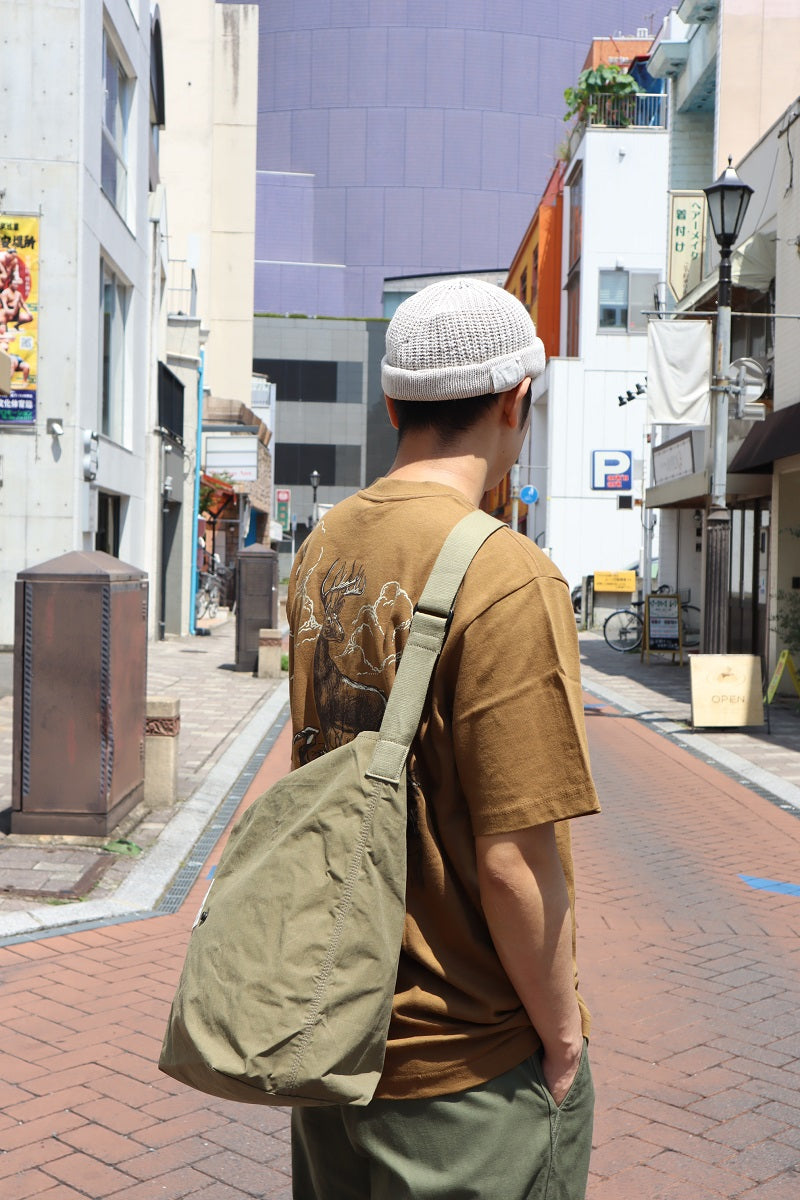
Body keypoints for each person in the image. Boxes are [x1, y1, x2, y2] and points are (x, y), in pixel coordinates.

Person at [287, 277, 601, 1200]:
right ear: (516, 402)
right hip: (468, 1069)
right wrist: (564, 1034)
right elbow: (514, 859)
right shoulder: (509, 575)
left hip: (334, 1030)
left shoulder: (323, 547)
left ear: (393, 404)